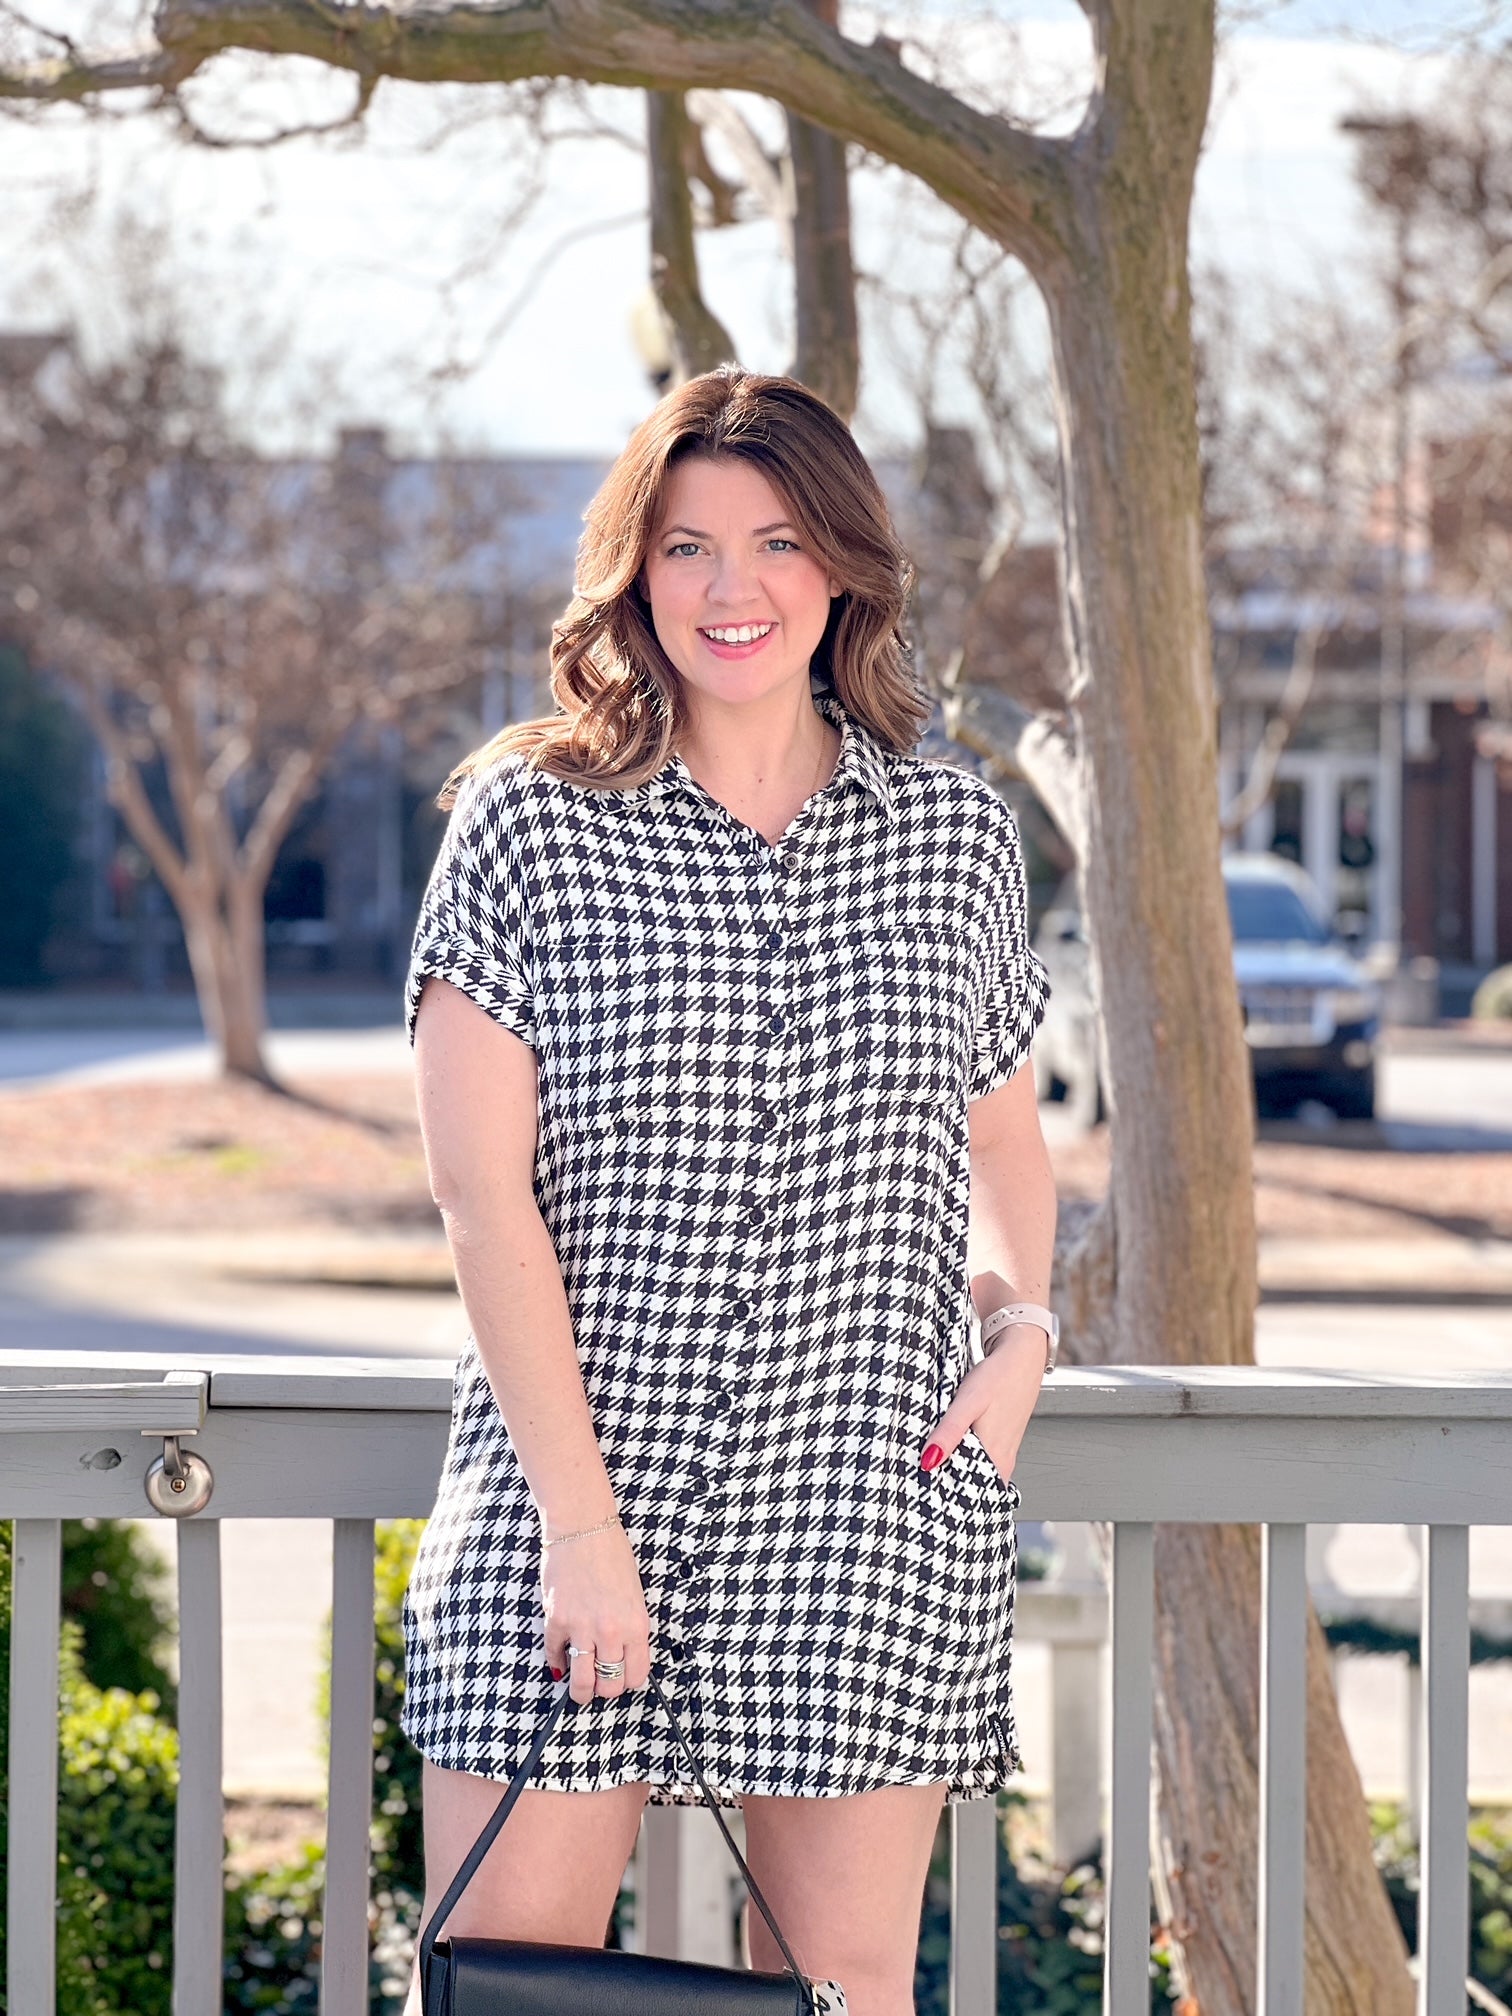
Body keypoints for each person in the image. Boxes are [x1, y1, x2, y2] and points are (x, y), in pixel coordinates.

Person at [401, 364, 1057, 2016]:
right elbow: (485, 1203)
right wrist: (579, 1531)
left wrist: (1023, 1324)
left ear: (841, 568)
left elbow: (1001, 1140)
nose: (731, 588)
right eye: (687, 546)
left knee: (842, 1996)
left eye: (774, 543)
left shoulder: (955, 835)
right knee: (510, 1985)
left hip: (859, 1500)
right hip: (575, 1504)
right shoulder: (527, 827)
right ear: (634, 573)